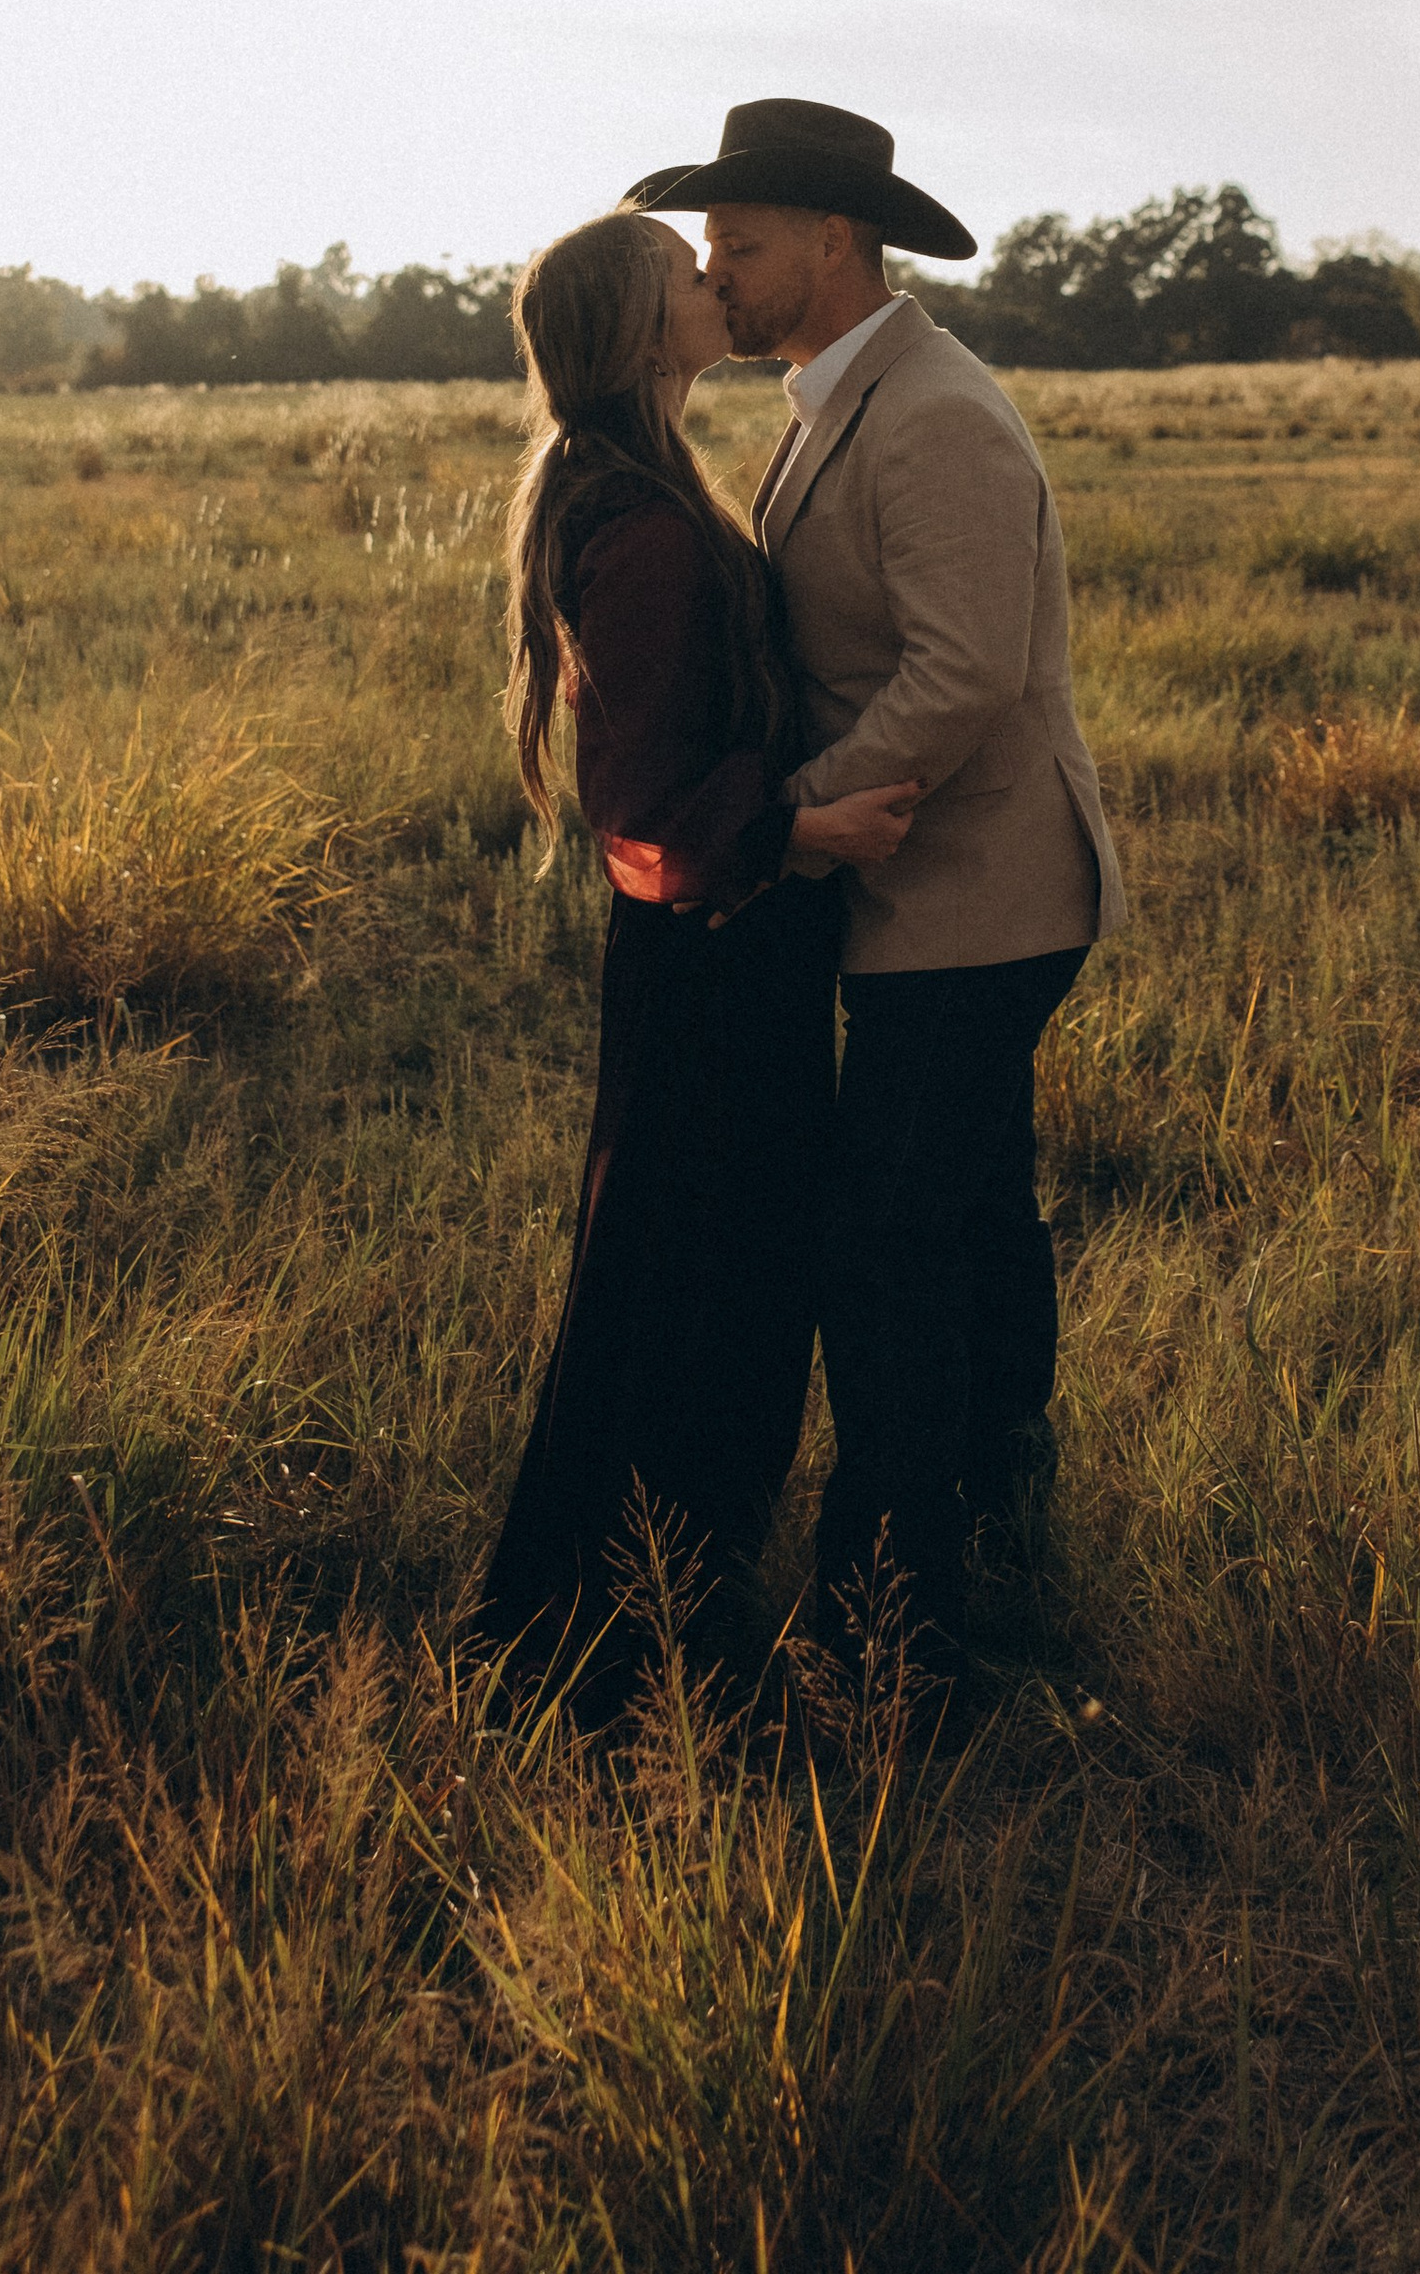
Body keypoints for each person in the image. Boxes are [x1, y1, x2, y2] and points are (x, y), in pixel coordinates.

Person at [621, 100, 1127, 1693]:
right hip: (931, 892)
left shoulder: (933, 415)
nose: (720, 268)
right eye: (713, 245)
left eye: (741, 240)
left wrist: (786, 809)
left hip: (977, 891)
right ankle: (1000, 1522)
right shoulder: (836, 397)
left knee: (887, 1237)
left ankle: (888, 1605)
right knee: (971, 1212)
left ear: (835, 241)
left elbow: (965, 669)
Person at [475, 207, 921, 1719]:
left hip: (717, 958)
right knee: (709, 1288)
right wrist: (808, 826)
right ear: (633, 326)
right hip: (717, 961)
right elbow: (646, 809)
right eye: (686, 272)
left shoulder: (645, 484)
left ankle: (633, 1612)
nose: (713, 280)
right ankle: (642, 1632)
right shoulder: (649, 526)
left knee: (686, 1278)